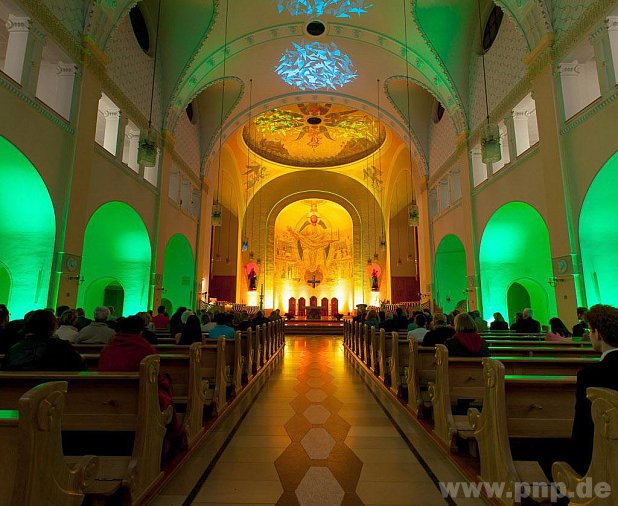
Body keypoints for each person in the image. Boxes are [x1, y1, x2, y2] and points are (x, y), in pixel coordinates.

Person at [98, 315, 186, 463]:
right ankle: (174, 436)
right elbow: (156, 376)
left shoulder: (107, 349)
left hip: (106, 398)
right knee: (165, 391)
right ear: (140, 330)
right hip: (139, 396)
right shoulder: (144, 348)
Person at [570, 305, 618, 475]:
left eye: (590, 331)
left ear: (598, 334)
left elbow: (582, 431)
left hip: (600, 462)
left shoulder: (589, 375)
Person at [1, 309, 86, 371]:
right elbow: (80, 368)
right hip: (53, 390)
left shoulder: (15, 348)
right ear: (53, 327)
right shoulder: (63, 347)